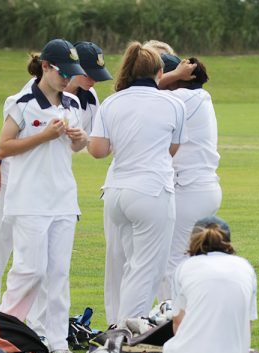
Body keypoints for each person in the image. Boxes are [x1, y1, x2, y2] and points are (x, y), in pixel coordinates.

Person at [0, 41, 112, 322]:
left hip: (50, 184)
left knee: (48, 263)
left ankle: (37, 322)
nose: (92, 80)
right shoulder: (32, 92)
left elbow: (82, 143)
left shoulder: (87, 98)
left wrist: (80, 140)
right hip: (13, 174)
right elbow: (7, 138)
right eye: (88, 73)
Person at [0, 39, 87, 353]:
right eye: (63, 72)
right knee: (29, 271)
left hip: (63, 200)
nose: (68, 79)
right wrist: (43, 136)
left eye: (72, 73)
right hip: (29, 201)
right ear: (46, 66)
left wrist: (80, 140)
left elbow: (77, 148)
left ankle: (58, 342)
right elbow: (3, 147)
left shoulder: (73, 103)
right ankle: (3, 336)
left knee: (58, 274)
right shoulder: (21, 102)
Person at [88, 42, 186, 324]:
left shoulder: (112, 102)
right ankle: (128, 333)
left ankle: (119, 326)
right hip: (152, 192)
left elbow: (97, 150)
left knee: (128, 265)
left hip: (116, 192)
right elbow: (172, 149)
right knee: (148, 269)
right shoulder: (174, 104)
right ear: (159, 72)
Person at [137, 216, 257, 353]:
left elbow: (178, 323)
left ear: (193, 240)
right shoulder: (246, 268)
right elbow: (247, 325)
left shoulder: (186, 267)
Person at [154, 53, 222, 302]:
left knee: (170, 260)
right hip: (204, 188)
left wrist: (171, 76)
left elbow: (143, 94)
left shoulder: (180, 98)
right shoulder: (200, 96)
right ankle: (191, 313)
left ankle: (171, 320)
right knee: (189, 259)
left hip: (190, 190)